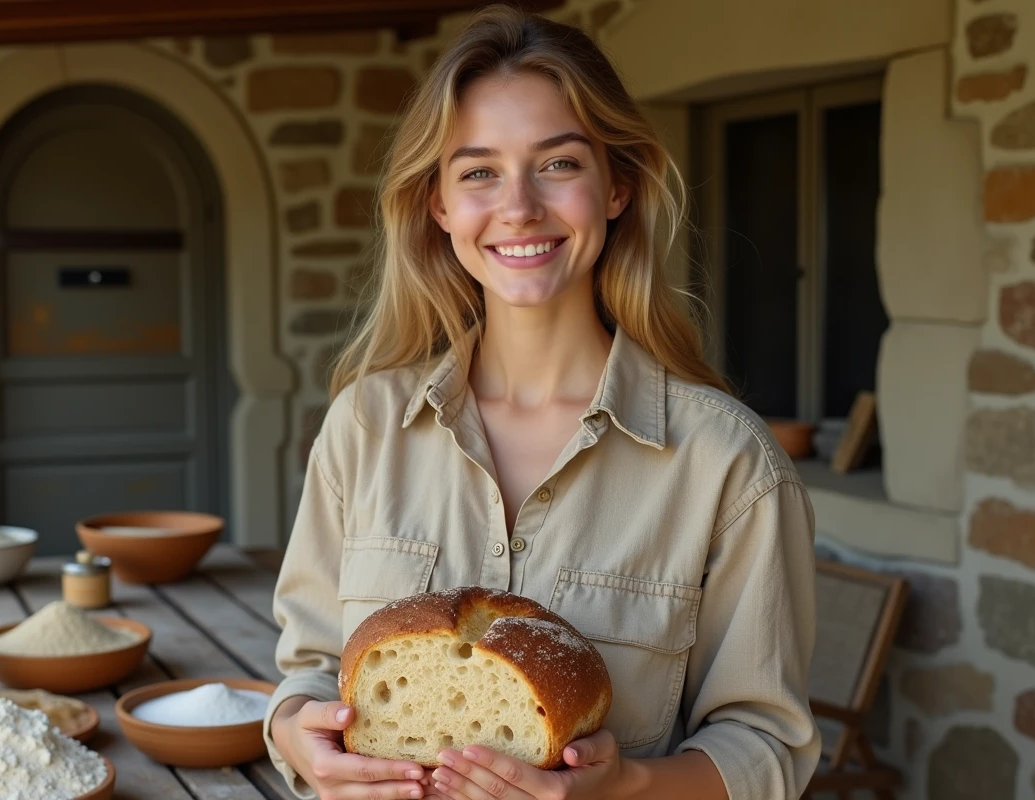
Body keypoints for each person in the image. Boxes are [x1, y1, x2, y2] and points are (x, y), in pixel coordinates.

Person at [264, 6, 821, 799]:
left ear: (617, 186)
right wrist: (297, 737)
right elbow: (310, 671)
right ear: (440, 206)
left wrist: (627, 786)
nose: (519, 206)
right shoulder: (365, 426)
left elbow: (768, 747)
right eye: (479, 171)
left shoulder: (727, 462)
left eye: (558, 164)